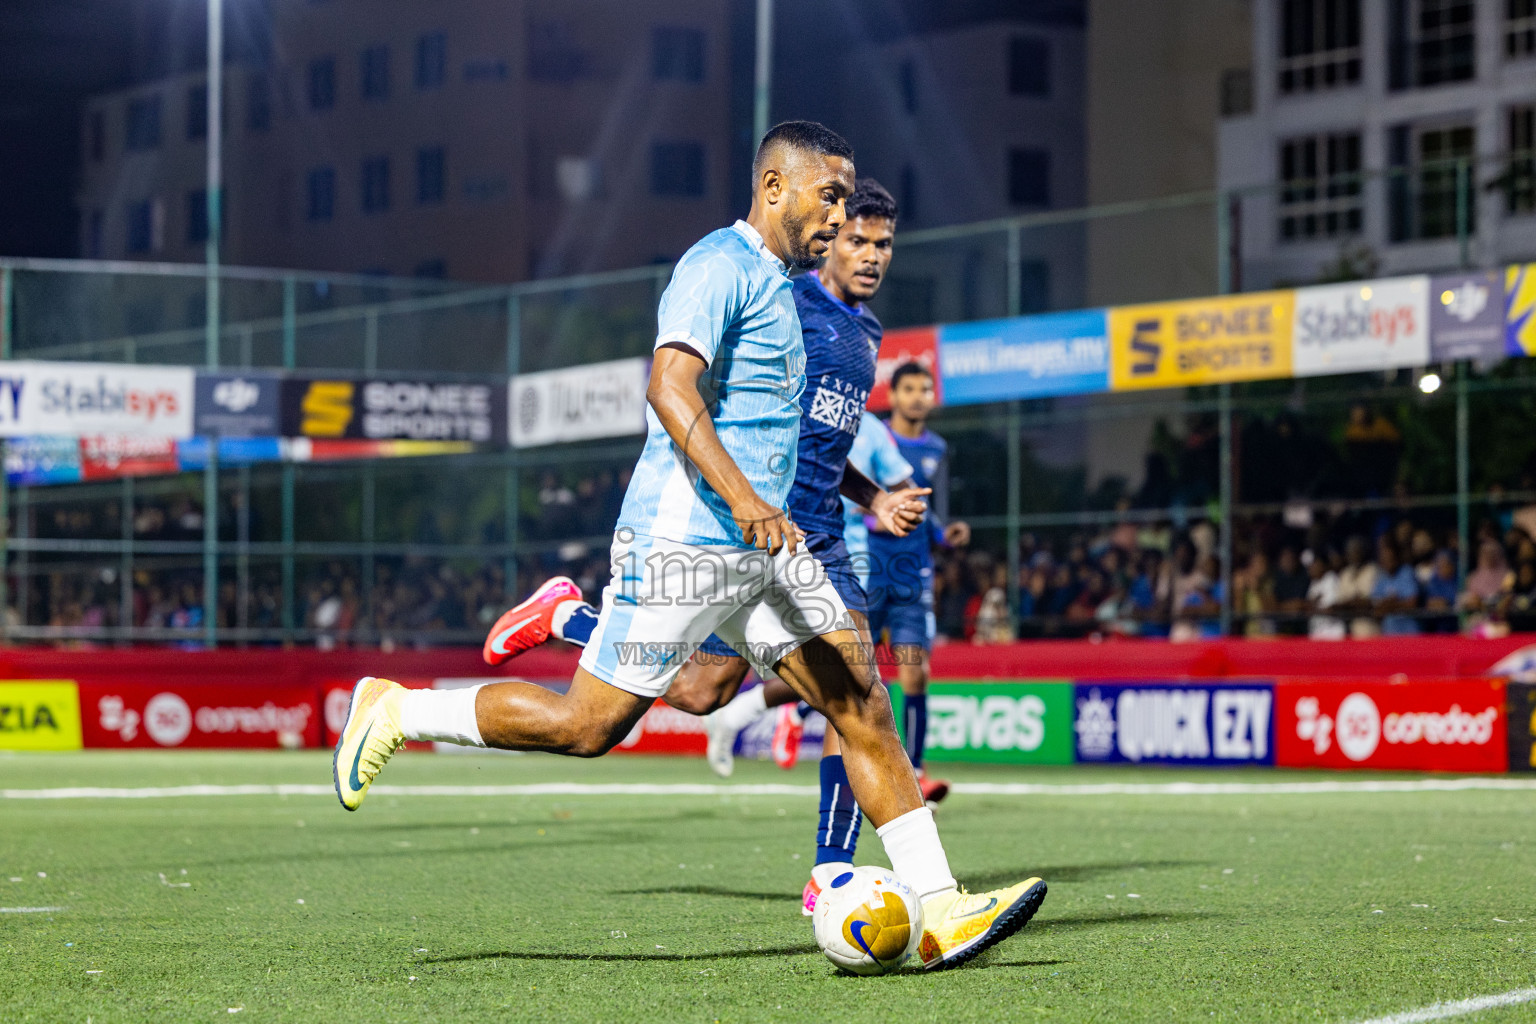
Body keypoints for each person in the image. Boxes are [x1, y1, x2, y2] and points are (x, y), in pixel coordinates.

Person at [333, 122, 1046, 970]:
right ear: (776, 187)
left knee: (859, 702)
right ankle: (399, 708)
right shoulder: (718, 265)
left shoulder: (793, 294)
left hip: (765, 552)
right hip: (685, 540)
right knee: (587, 726)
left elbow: (792, 433)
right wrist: (747, 502)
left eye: (848, 203)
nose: (839, 216)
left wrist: (825, 503)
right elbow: (670, 388)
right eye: (830, 197)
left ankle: (939, 910)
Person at [864, 361, 970, 800]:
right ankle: (794, 715)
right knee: (849, 668)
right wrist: (876, 521)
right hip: (867, 566)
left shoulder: (937, 448)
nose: (917, 396)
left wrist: (947, 533)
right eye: (909, 388)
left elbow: (932, 510)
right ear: (894, 394)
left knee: (916, 674)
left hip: (914, 573)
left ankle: (917, 771)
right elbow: (855, 494)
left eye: (924, 389)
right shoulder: (873, 437)